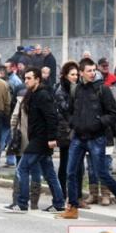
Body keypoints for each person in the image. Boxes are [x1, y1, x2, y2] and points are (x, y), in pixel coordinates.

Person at [58, 58, 116, 221]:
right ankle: (72, 207)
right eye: (89, 71)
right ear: (81, 73)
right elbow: (70, 110)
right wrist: (74, 123)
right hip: (78, 137)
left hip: (96, 138)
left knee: (102, 174)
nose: (93, 73)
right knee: (70, 172)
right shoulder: (76, 90)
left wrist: (98, 123)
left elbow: (114, 114)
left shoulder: (103, 90)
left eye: (94, 70)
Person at [8, 68, 65, 213]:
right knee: (49, 173)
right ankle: (59, 203)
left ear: (37, 79)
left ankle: (22, 203)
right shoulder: (32, 94)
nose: (26, 81)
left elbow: (52, 117)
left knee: (22, 168)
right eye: (25, 78)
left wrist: (52, 138)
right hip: (38, 139)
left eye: (29, 78)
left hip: (41, 140)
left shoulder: (43, 95)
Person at [54, 62, 79, 202]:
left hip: (78, 130)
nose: (75, 77)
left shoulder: (77, 87)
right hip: (65, 131)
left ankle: (76, 195)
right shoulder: (61, 90)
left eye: (76, 74)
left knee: (78, 165)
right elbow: (65, 109)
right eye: (72, 75)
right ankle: (62, 193)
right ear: (65, 75)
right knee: (65, 164)